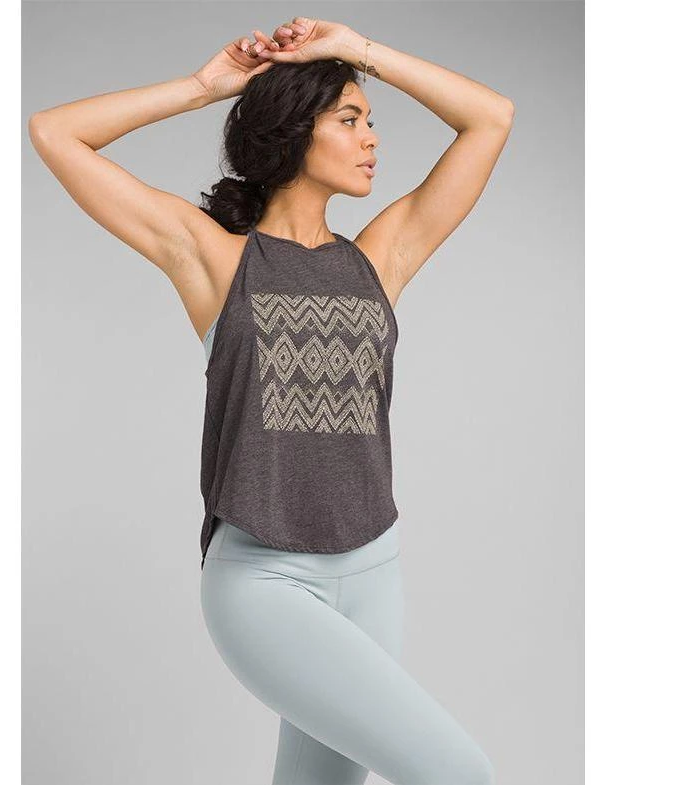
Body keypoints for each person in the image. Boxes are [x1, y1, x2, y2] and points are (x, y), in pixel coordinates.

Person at [29, 15, 514, 785]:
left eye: (370, 121)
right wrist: (201, 88)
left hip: (373, 569)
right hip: (263, 581)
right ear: (293, 132)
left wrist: (354, 49)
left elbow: (490, 117)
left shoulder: (379, 258)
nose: (372, 140)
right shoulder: (219, 261)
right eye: (349, 120)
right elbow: (55, 133)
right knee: (460, 772)